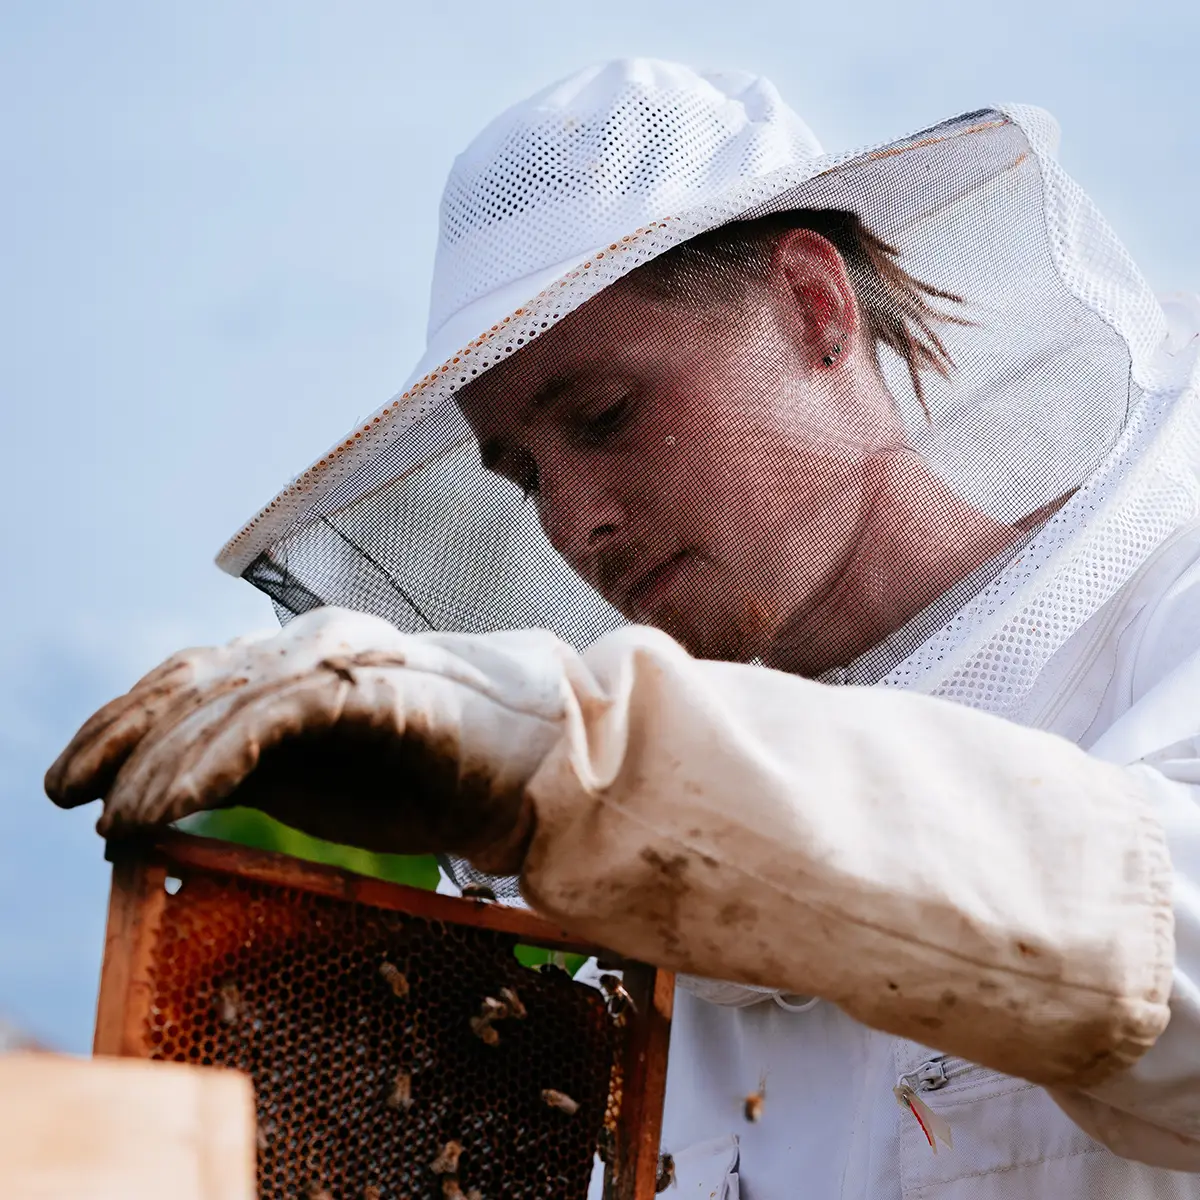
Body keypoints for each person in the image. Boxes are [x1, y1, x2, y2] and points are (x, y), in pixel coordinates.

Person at [45, 59, 1200, 1197]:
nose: (575, 522)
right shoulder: (630, 931)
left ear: (815, 305)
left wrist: (591, 766)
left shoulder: (1167, 621)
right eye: (522, 476)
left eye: (604, 414)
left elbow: (1159, 940)